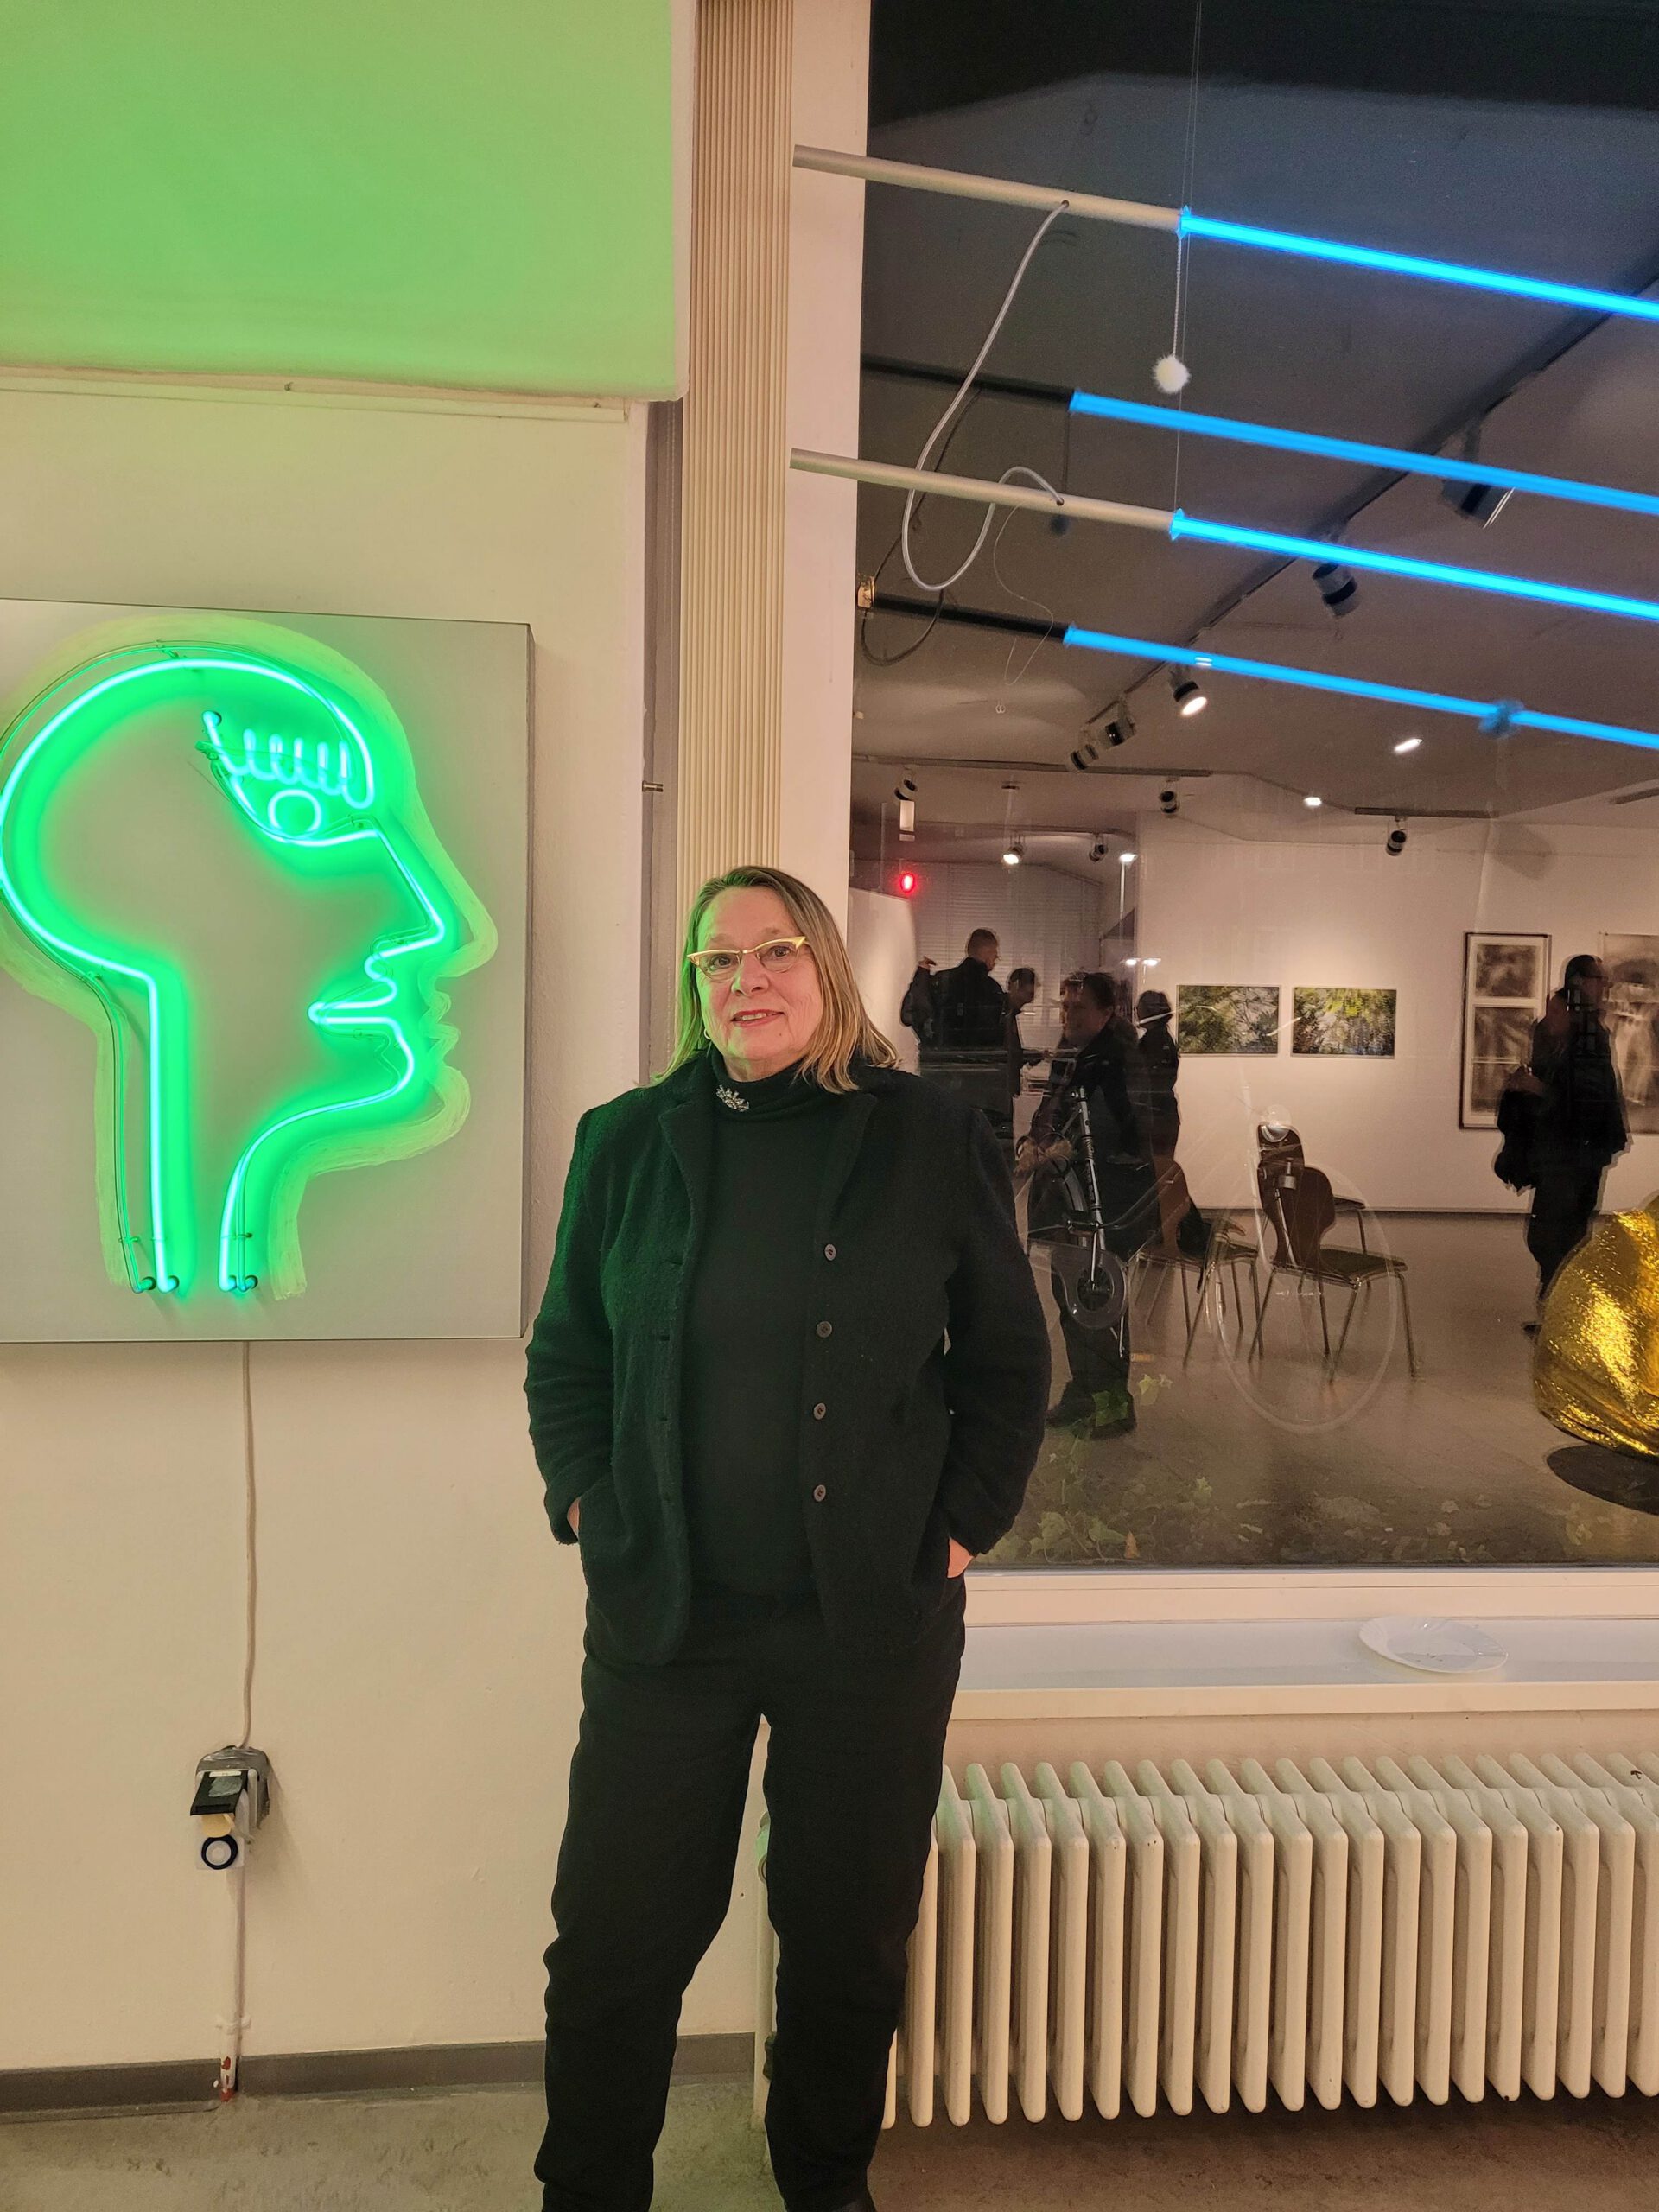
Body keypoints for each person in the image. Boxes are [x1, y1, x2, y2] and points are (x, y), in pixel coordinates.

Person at [524, 864, 1049, 2212]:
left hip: (868, 1622)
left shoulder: (928, 1136)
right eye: (718, 960)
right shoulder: (625, 1140)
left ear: (826, 967)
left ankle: (824, 2182)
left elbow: (1005, 1364)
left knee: (845, 1940)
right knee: (615, 1940)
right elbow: (568, 1355)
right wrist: (589, 1503)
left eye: (773, 953)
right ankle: (589, 2190)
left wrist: (959, 1532)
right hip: (668, 1618)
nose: (744, 980)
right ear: (695, 984)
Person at [1029, 971, 1156, 1435]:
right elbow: (1054, 1110)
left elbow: (1126, 1130)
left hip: (1106, 1203)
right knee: (1073, 1298)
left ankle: (1112, 1404)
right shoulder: (1074, 1053)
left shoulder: (1119, 1058)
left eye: (1078, 1007)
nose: (1068, 1015)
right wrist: (1037, 1141)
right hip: (1073, 1201)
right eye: (1065, 1006)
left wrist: (1062, 1149)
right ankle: (1085, 1392)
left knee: (1100, 1300)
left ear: (1106, 1012)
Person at [1527, 952, 1628, 1312]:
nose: (1605, 987)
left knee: (1563, 1228)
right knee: (1554, 1228)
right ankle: (1557, 1303)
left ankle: (1562, 1307)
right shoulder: (1575, 1031)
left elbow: (1586, 1095)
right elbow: (1577, 1089)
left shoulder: (1588, 1033)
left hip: (1577, 1148)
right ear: (1580, 983)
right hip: (1567, 1148)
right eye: (1599, 979)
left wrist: (1540, 1089)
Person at [934, 927, 1007, 1049]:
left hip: (942, 1056)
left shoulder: (942, 980)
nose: (996, 958)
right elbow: (995, 1033)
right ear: (986, 953)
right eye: (995, 953)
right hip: (982, 1058)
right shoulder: (992, 989)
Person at [1134, 988, 1180, 1162]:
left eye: (1140, 1008)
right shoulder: (1162, 1039)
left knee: (1156, 1166)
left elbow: (1148, 1080)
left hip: (1155, 1114)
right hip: (1161, 1111)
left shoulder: (1153, 1041)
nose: (1137, 1012)